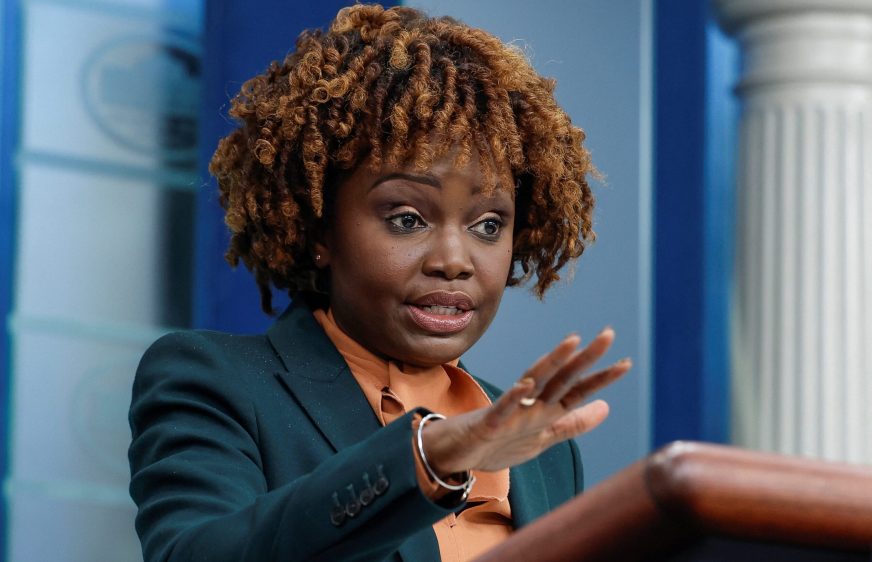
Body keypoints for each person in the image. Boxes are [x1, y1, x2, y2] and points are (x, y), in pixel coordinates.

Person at [128, 4, 632, 561]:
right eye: (407, 219)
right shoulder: (216, 382)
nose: (454, 260)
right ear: (320, 227)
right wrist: (427, 458)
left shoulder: (542, 449)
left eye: (489, 225)